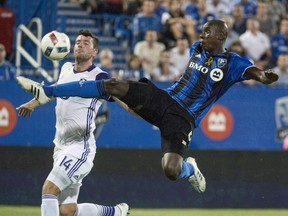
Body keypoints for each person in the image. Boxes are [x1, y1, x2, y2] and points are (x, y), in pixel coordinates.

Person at [16, 20, 279, 194]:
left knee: (171, 170)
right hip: (163, 99)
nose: (200, 35)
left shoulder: (233, 63)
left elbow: (256, 73)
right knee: (112, 84)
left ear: (220, 35)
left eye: (206, 32)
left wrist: (264, 76)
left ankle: (191, 169)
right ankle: (47, 90)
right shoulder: (197, 47)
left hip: (183, 119)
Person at [16, 30, 129, 216]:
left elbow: (122, 98)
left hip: (80, 147)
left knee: (49, 189)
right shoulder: (66, 68)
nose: (80, 44)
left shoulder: (100, 77)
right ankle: (115, 212)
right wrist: (32, 103)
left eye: (86, 42)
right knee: (67, 211)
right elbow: (53, 91)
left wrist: (141, 109)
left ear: (94, 52)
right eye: (77, 42)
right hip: (60, 146)